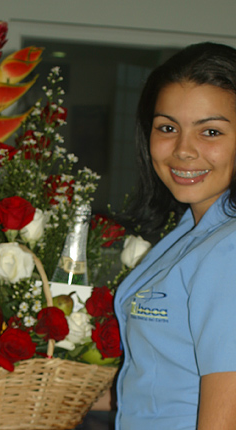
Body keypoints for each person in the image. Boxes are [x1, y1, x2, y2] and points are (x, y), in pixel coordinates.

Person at [114, 42, 236, 429]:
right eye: (167, 128)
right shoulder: (193, 233)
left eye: (210, 132)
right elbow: (161, 381)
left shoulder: (228, 250)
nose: (183, 151)